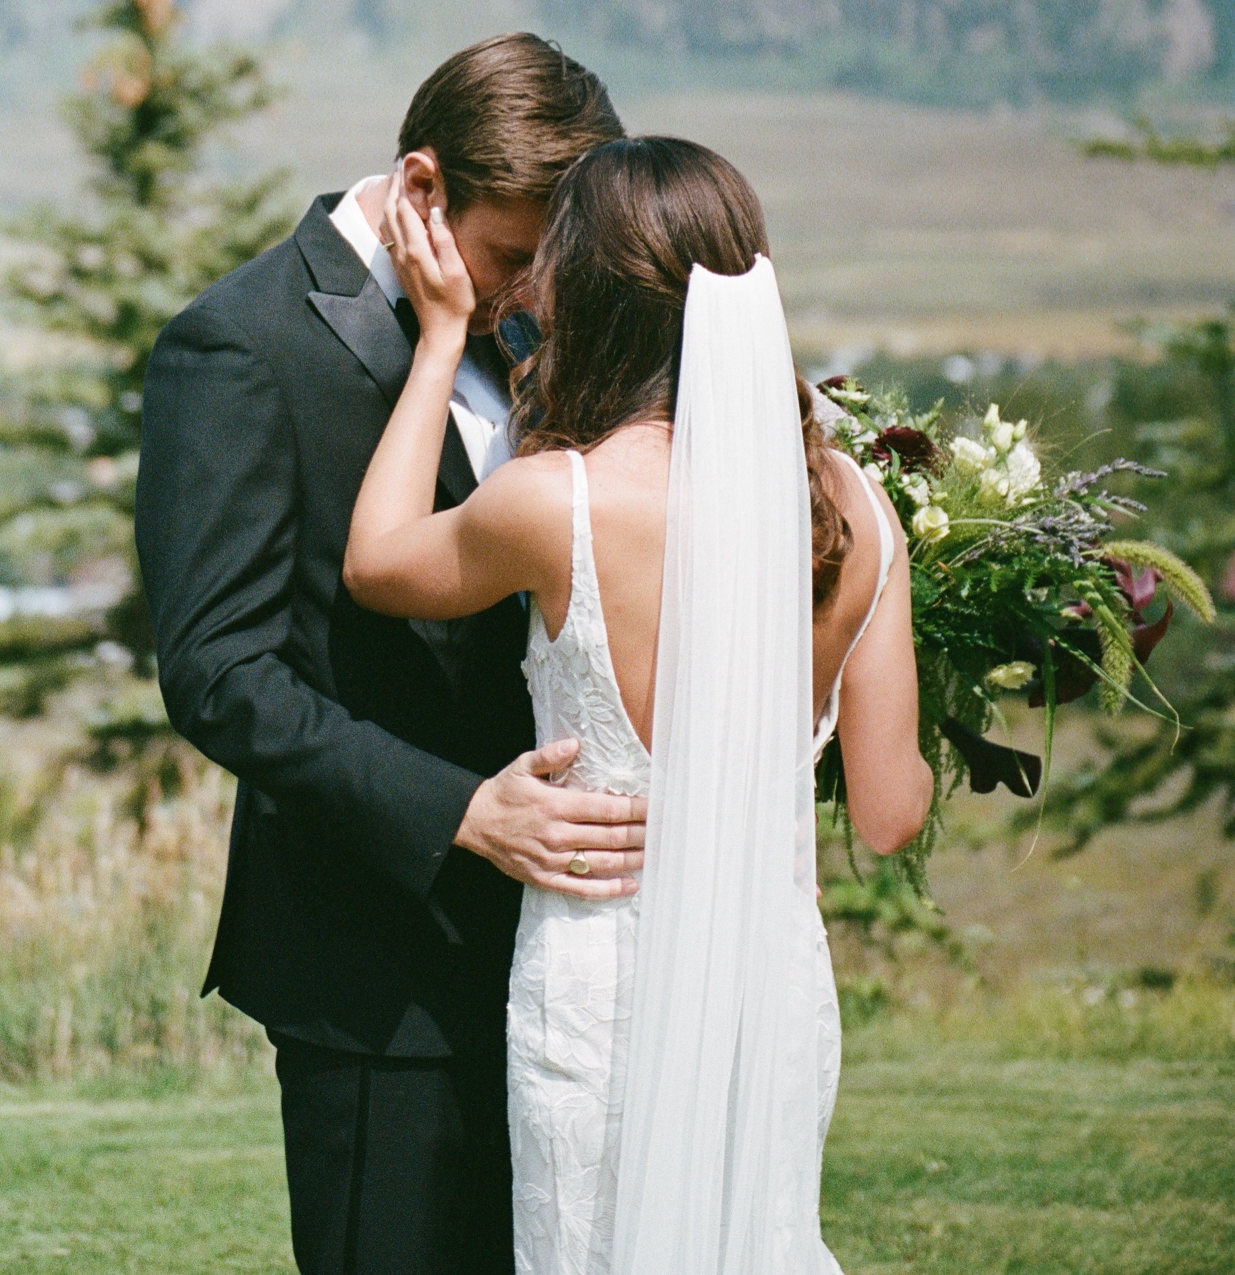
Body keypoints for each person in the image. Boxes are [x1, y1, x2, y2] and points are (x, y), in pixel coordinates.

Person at [344, 135, 934, 1273]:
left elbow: (375, 562)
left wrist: (434, 347)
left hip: (598, 982)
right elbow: (889, 813)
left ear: (596, 290)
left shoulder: (553, 500)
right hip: (769, 989)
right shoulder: (860, 510)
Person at [135, 33, 643, 1275]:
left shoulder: (537, 332)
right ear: (425, 187)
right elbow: (220, 670)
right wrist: (461, 808)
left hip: (568, 964)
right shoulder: (237, 346)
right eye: (517, 253)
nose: (534, 292)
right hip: (379, 974)